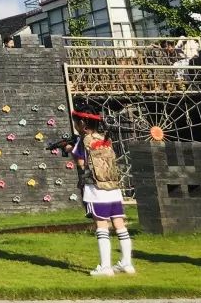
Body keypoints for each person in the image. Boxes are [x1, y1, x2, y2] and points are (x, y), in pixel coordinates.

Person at [71, 105, 134, 277]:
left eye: (77, 122)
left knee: (101, 226)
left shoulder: (83, 141)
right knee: (120, 225)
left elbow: (82, 165)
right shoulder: (105, 138)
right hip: (113, 187)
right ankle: (127, 263)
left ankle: (105, 267)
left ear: (82, 123)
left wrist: (71, 152)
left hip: (96, 188)